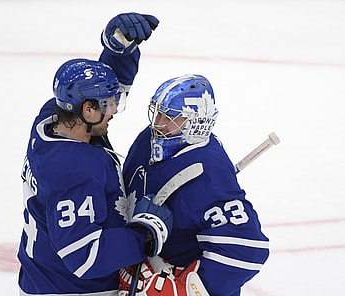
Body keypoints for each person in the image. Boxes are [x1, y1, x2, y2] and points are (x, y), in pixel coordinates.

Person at [17, 13, 174, 296]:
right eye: (109, 104)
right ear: (88, 109)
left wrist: (118, 50)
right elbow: (84, 256)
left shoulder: (51, 118)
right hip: (72, 290)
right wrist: (144, 235)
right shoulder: (73, 171)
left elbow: (88, 90)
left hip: (42, 276)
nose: (114, 110)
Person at [121, 74, 270, 296]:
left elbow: (247, 249)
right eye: (159, 113)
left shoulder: (210, 173)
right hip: (141, 272)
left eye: (170, 117)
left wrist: (186, 290)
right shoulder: (149, 138)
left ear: (196, 123)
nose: (159, 123)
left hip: (167, 278)